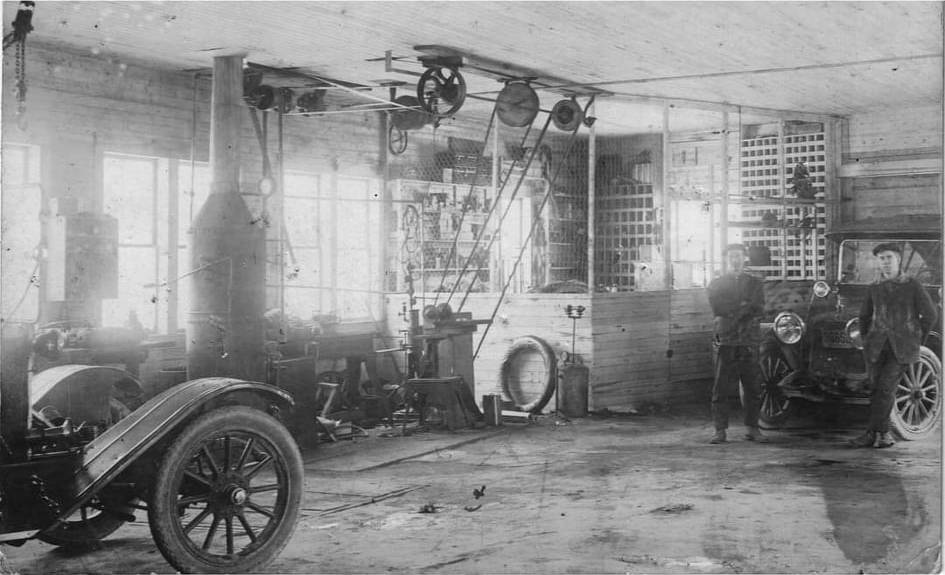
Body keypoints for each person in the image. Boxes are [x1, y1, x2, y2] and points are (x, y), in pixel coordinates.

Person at [849, 242, 937, 448]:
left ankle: (881, 434)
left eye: (889, 258)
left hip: (902, 348)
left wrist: (915, 340)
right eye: (881, 259)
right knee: (875, 389)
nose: (885, 263)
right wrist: (867, 339)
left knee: (885, 389)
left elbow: (931, 316)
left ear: (898, 259)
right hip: (876, 347)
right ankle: (876, 435)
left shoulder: (912, 285)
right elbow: (864, 316)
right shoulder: (874, 287)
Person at [706, 243, 768, 444]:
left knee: (752, 386)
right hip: (726, 339)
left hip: (749, 340)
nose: (735, 260)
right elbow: (718, 307)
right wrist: (743, 307)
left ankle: (753, 428)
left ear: (745, 259)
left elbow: (758, 307)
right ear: (726, 260)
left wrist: (736, 309)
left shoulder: (755, 283)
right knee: (721, 386)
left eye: (738, 256)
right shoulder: (716, 283)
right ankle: (720, 430)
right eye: (731, 256)